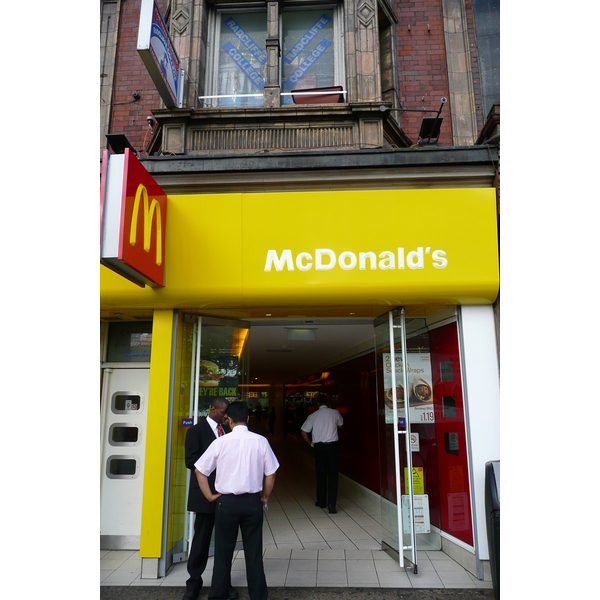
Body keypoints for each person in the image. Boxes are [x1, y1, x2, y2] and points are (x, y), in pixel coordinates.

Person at [195, 402, 279, 600]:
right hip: (252, 503)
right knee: (254, 552)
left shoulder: (220, 442)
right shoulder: (260, 441)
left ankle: (218, 595)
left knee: (223, 552)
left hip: (227, 504)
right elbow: (271, 473)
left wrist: (209, 495)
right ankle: (258, 596)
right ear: (248, 419)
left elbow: (200, 470)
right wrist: (264, 497)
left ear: (229, 420)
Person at [183, 398, 238, 600]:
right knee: (201, 540)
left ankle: (224, 583)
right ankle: (193, 583)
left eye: (227, 413)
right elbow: (191, 461)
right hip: (204, 495)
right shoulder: (196, 431)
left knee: (224, 542)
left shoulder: (229, 433)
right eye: (223, 412)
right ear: (212, 409)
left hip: (226, 494)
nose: (226, 416)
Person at [300, 393, 343, 514]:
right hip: (333, 447)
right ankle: (332, 504)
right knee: (333, 475)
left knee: (321, 474)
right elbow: (341, 425)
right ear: (328, 402)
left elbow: (303, 432)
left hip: (319, 448)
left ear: (317, 403)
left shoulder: (313, 416)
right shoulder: (335, 413)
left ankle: (321, 502)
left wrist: (310, 443)